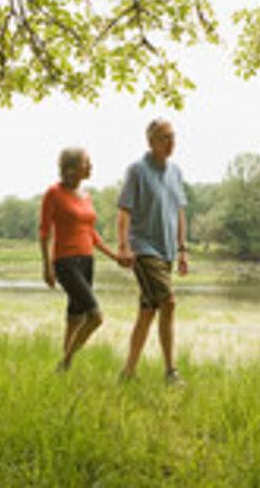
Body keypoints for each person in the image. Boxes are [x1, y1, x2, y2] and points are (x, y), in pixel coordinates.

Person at [117, 119, 189, 385]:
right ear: (150, 142)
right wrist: (124, 245)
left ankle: (127, 373)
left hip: (168, 250)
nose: (171, 142)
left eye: (173, 136)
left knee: (148, 311)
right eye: (164, 138)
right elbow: (124, 210)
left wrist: (182, 249)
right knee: (168, 302)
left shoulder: (176, 172)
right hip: (144, 248)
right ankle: (171, 372)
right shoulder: (137, 170)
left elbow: (180, 211)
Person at [39, 147, 121, 371]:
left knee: (75, 316)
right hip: (65, 262)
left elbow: (91, 233)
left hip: (87, 261)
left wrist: (115, 256)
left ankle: (65, 370)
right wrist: (47, 267)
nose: (91, 166)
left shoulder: (86, 196)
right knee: (95, 317)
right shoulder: (53, 193)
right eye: (87, 162)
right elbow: (44, 233)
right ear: (71, 168)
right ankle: (64, 362)